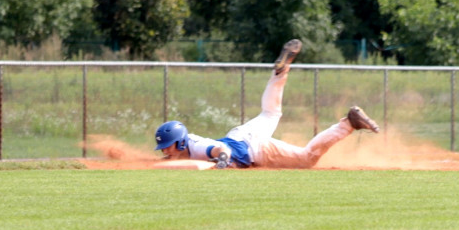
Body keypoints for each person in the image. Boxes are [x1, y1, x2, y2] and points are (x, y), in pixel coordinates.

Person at [154, 39, 380, 168]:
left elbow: (217, 149)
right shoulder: (184, 152)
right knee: (271, 112)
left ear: (181, 143)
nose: (164, 151)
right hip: (239, 135)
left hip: (254, 148)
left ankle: (348, 124)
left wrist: (222, 158)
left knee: (306, 159)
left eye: (168, 146)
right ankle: (280, 72)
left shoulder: (195, 146)